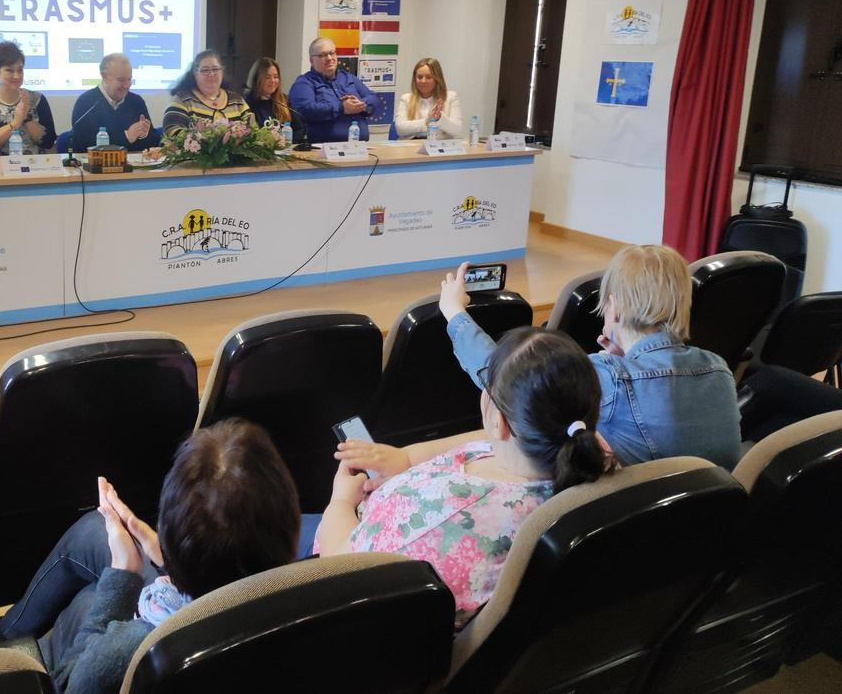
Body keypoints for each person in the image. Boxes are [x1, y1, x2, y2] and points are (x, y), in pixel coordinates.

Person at [0, 419, 300, 694]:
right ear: (292, 523)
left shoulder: (130, 651)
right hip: (214, 606)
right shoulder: (316, 587)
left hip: (88, 668)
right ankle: (3, 633)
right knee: (95, 531)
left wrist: (123, 576)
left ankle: (10, 645)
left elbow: (74, 685)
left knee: (89, 601)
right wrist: (157, 551)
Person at [317, 326, 611, 629]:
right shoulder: (590, 455)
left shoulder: (432, 520)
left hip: (347, 584)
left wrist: (340, 501)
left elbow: (338, 573)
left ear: (499, 422)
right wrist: (405, 459)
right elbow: (483, 439)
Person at [447, 248, 742, 467]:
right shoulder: (719, 369)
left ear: (613, 309)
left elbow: (508, 377)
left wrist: (454, 312)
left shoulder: (610, 376)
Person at [0, 41, 56, 155]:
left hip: (35, 167)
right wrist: (15, 123)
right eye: (9, 70)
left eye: (20, 70)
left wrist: (26, 118)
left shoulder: (37, 99)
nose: (17, 76)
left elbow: (48, 142)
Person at [287, 37, 380, 143]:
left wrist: (360, 104)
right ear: (311, 60)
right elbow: (304, 110)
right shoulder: (304, 82)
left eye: (332, 53)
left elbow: (374, 99)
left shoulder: (349, 78)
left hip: (360, 147)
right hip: (322, 150)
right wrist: (341, 108)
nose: (329, 58)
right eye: (323, 55)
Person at [70, 54, 160, 153]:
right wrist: (127, 137)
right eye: (121, 80)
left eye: (129, 79)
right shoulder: (86, 103)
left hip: (135, 166)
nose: (127, 85)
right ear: (104, 77)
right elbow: (86, 145)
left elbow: (154, 142)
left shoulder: (136, 101)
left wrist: (143, 134)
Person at [162, 49, 253, 136]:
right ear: (195, 73)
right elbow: (172, 132)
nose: (211, 74)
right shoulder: (183, 100)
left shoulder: (237, 101)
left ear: (222, 71)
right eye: (205, 70)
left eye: (215, 69)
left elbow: (253, 130)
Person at [394, 57, 463, 139]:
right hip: (411, 145)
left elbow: (457, 129)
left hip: (439, 145)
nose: (423, 81)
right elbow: (400, 128)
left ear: (437, 79)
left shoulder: (451, 97)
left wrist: (440, 118)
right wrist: (426, 122)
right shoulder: (406, 98)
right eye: (419, 77)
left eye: (428, 77)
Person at [243, 57, 304, 144]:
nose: (272, 81)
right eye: (267, 77)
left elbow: (300, 130)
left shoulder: (284, 101)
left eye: (276, 77)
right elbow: (248, 137)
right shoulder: (248, 104)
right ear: (257, 79)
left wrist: (284, 141)